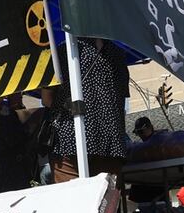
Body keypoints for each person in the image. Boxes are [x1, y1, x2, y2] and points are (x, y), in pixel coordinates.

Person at [43, 38, 130, 183]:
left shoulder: (62, 52)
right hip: (110, 142)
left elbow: (46, 99)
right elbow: (121, 98)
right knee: (105, 202)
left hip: (69, 139)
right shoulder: (118, 54)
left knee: (73, 201)